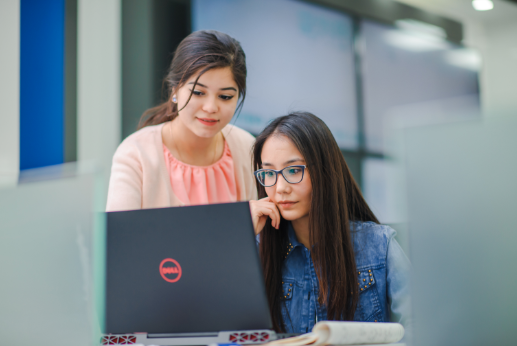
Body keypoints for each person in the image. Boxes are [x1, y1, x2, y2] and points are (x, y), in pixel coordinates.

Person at [249, 112, 411, 334]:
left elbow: (420, 330)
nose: (280, 188)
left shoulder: (380, 245)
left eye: (294, 170)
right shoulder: (258, 250)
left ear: (324, 171)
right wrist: (242, 241)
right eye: (269, 173)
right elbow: (225, 330)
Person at [106, 30, 257, 211]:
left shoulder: (247, 148)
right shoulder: (136, 154)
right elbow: (122, 237)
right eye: (198, 93)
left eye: (225, 96)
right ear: (175, 90)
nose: (210, 107)